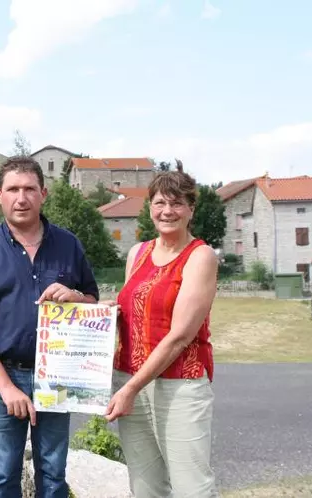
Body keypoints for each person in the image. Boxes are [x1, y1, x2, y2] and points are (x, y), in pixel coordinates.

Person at [0, 156, 100, 498]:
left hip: (58, 374)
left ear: (43, 194)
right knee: (3, 476)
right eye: (13, 189)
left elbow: (93, 302)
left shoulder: (68, 244)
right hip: (2, 375)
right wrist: (5, 387)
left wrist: (75, 296)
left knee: (53, 473)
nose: (22, 198)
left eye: (30, 189)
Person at [105, 166, 219, 497]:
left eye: (177, 203)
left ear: (191, 209)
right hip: (129, 378)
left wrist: (130, 390)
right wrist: (81, 311)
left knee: (191, 487)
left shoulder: (200, 257)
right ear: (150, 208)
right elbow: (127, 311)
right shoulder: (137, 253)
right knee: (144, 485)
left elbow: (181, 335)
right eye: (159, 203)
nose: (167, 211)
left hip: (179, 384)